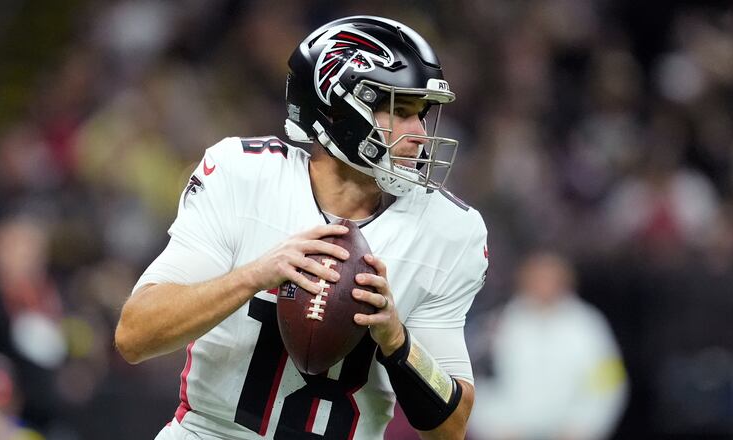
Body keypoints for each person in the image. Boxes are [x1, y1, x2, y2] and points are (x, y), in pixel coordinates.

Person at [115, 15, 489, 439]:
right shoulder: (245, 176)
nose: (420, 133)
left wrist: (397, 341)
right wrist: (256, 275)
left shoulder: (449, 230)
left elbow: (452, 428)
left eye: (422, 114)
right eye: (400, 112)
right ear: (338, 109)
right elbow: (135, 335)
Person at [468, 251, 627, 440]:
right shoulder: (496, 325)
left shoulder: (588, 326)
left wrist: (584, 427)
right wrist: (495, 427)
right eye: (537, 277)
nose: (544, 285)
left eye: (551, 278)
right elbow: (475, 382)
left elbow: (608, 384)